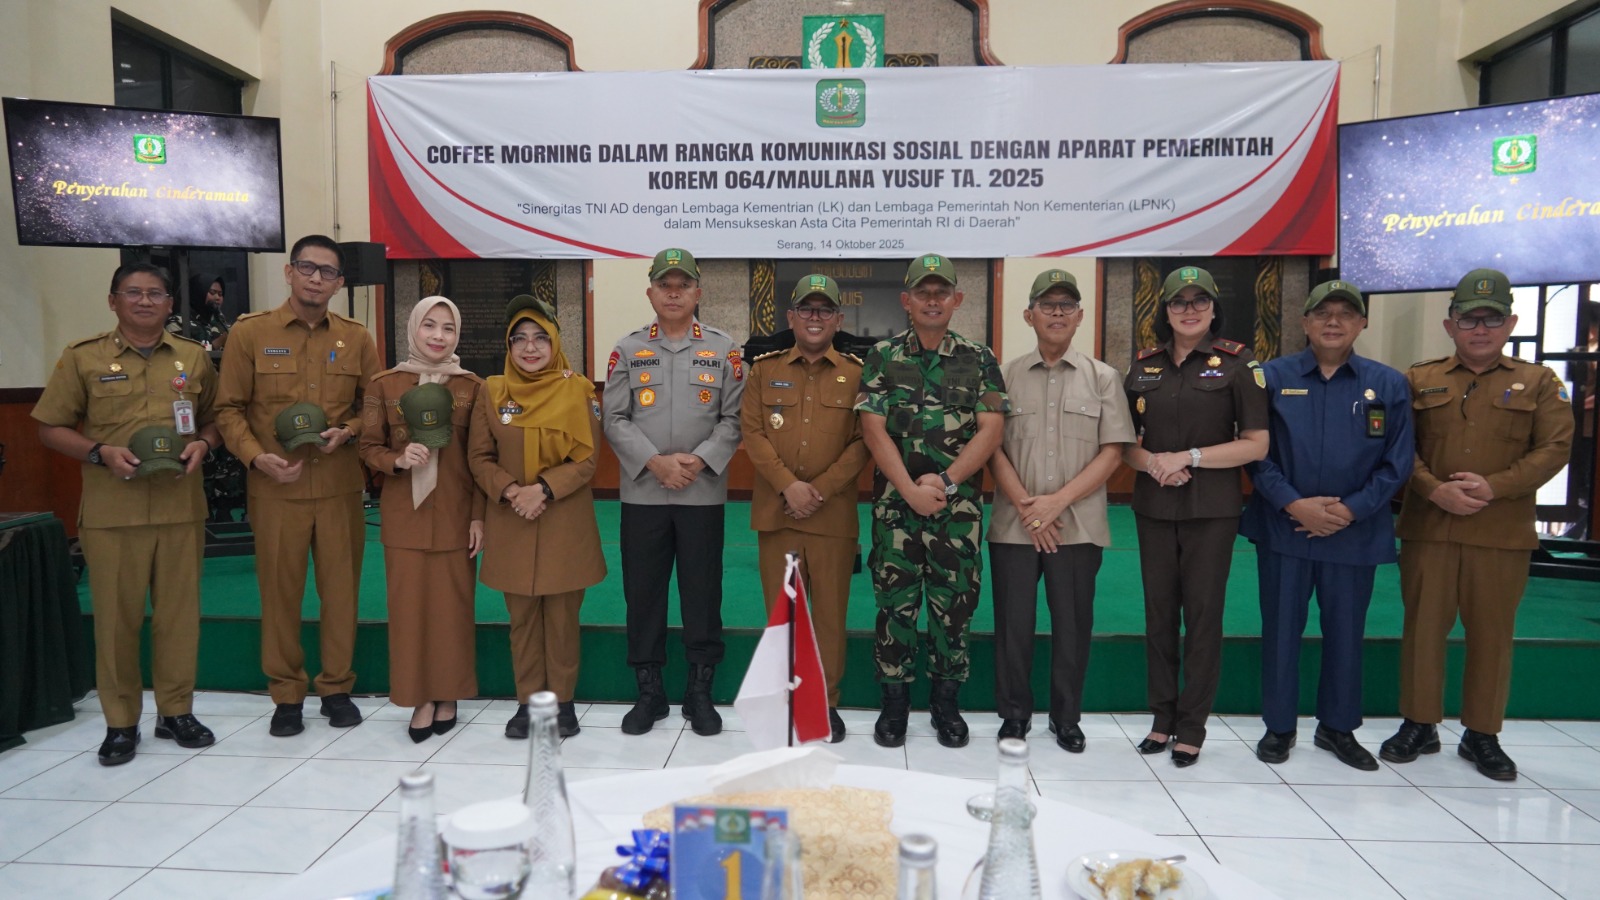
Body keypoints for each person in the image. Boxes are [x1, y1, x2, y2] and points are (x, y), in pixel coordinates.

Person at [1383, 268, 1574, 781]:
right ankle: (1419, 724)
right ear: (1451, 326)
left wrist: (1496, 486)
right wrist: (1432, 488)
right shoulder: (1419, 379)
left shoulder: (1540, 382)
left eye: (1491, 319)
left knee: (1492, 634)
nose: (1481, 329)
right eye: (1470, 319)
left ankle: (1482, 734)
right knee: (1423, 629)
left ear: (1510, 322)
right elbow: (1400, 448)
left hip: (1500, 531)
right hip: (1431, 527)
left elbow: (1555, 448)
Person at [33, 262, 222, 764]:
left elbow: (216, 419)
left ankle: (175, 711)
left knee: (179, 620)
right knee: (116, 622)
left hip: (180, 507)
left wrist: (204, 442)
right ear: (113, 300)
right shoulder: (82, 358)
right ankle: (120, 722)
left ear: (169, 303)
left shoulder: (192, 359)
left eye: (155, 294)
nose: (144, 301)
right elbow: (50, 427)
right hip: (113, 513)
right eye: (133, 293)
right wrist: (99, 453)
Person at [1241, 280, 1413, 770]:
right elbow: (1256, 453)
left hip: (1353, 532)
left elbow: (1397, 461)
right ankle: (1279, 727)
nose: (1333, 321)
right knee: (1279, 629)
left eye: (1345, 313)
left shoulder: (1388, 384)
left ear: (1362, 323)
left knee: (1345, 631)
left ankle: (1337, 728)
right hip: (1284, 528)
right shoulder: (1270, 378)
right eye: (1322, 313)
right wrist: (1296, 506)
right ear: (1305, 322)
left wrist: (1350, 510)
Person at [215, 235, 379, 736]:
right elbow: (228, 409)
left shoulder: (357, 337)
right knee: (280, 594)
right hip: (275, 488)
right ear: (289, 273)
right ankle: (287, 695)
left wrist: (348, 431)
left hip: (338, 485)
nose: (315, 278)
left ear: (339, 283)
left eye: (327, 272)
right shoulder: (250, 334)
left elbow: (373, 407)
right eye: (307, 267)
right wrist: (255, 457)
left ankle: (336, 688)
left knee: (341, 592)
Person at [856, 253, 1006, 749]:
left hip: (956, 511)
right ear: (907, 300)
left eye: (942, 292)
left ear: (957, 300)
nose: (933, 300)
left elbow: (991, 429)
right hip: (896, 511)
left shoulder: (980, 358)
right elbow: (872, 430)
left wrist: (943, 481)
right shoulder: (881, 356)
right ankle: (894, 705)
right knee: (895, 607)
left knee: (953, 609)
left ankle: (946, 705)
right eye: (923, 292)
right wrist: (907, 489)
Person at [1123, 266, 1269, 767]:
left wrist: (1190, 457)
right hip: (1155, 506)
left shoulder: (1238, 364)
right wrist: (1156, 465)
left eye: (1199, 301)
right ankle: (1162, 719)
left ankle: (1192, 727)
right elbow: (1124, 445)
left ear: (1212, 309)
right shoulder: (1142, 368)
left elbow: (1256, 443)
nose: (1189, 309)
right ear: (1164, 311)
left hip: (1211, 510)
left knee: (1203, 618)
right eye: (1179, 302)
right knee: (1159, 616)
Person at [987, 270, 1134, 752]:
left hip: (1076, 524)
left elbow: (1114, 451)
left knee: (1073, 627)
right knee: (1013, 627)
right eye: (1046, 305)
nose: (1056, 313)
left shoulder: (1104, 377)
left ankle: (1066, 717)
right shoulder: (1003, 375)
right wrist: (1032, 511)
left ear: (1080, 317)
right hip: (1015, 525)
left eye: (1066, 305)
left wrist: (1054, 505)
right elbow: (991, 448)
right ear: (1028, 315)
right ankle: (1014, 715)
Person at [602, 248, 744, 737]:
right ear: (651, 292)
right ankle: (650, 693)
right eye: (666, 284)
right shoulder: (628, 349)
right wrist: (655, 463)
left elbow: (733, 419)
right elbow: (614, 417)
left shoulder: (725, 350)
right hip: (643, 493)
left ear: (698, 293)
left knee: (702, 593)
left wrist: (699, 460)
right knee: (643, 593)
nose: (674, 292)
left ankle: (700, 693)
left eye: (683, 284)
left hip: (701, 493)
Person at [470, 296, 606, 739]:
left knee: (563, 619)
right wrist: (512, 491)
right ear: (508, 346)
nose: (530, 348)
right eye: (519, 339)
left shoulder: (577, 390)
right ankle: (528, 702)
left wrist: (542, 489)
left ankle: (562, 704)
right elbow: (479, 456)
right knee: (522, 619)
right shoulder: (491, 392)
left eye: (540, 338)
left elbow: (587, 459)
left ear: (555, 343)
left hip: (562, 519)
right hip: (513, 519)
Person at [742, 274, 870, 743]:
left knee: (831, 616)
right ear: (792, 317)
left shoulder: (858, 374)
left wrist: (817, 489)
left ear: (838, 319)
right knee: (782, 614)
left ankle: (826, 703)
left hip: (831, 516)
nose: (815, 318)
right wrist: (788, 486)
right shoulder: (762, 370)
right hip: (778, 515)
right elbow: (753, 434)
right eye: (807, 310)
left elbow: (863, 443)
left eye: (825, 311)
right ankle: (785, 698)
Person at [359, 296, 485, 743]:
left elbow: (480, 459)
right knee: (409, 610)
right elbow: (368, 446)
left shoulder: (472, 387)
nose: (438, 336)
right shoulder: (385, 385)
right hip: (404, 517)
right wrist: (397, 458)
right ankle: (420, 697)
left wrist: (477, 518)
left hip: (455, 514)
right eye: (429, 325)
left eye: (448, 328)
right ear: (413, 328)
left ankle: (448, 693)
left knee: (452, 610)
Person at [168, 276, 232, 350]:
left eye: (220, 294)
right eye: (212, 292)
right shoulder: (178, 322)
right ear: (199, 293)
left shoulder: (221, 323)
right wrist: (216, 344)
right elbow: (184, 354)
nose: (217, 297)